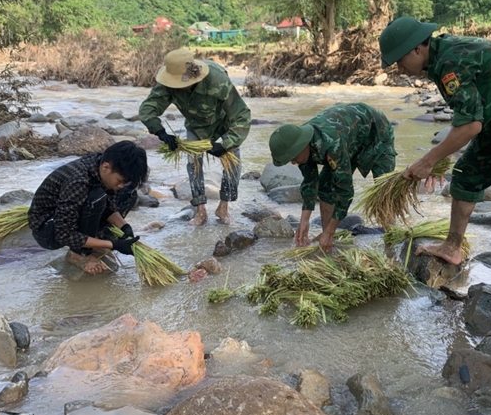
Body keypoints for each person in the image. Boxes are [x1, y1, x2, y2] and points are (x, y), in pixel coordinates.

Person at [378, 16, 491, 267]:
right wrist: (437, 157)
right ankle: (452, 248)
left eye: (400, 60)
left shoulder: (450, 62)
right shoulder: (438, 57)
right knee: (467, 178)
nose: (399, 68)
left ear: (417, 48)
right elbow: (471, 117)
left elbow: (469, 126)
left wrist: (428, 160)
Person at [139, 48, 251, 225]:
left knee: (233, 162)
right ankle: (200, 210)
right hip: (195, 127)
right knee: (193, 163)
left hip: (223, 123)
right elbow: (147, 110)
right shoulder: (169, 82)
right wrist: (160, 132)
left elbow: (242, 115)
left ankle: (223, 207)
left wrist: (226, 143)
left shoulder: (217, 80)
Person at [268, 102, 397, 251]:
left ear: (303, 146)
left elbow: (345, 192)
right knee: (325, 187)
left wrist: (330, 231)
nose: (293, 161)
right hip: (349, 137)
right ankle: (328, 240)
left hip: (376, 133)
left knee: (384, 194)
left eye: (293, 157)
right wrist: (304, 220)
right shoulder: (298, 142)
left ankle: (391, 242)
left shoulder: (332, 144)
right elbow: (310, 182)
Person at [29, 141, 148, 275]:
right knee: (97, 197)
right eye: (120, 180)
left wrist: (124, 226)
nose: (121, 185)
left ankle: (93, 243)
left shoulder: (100, 167)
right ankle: (78, 253)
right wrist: (113, 244)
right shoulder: (78, 181)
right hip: (48, 230)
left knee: (128, 193)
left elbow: (109, 207)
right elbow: (63, 234)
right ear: (106, 167)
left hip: (74, 217)